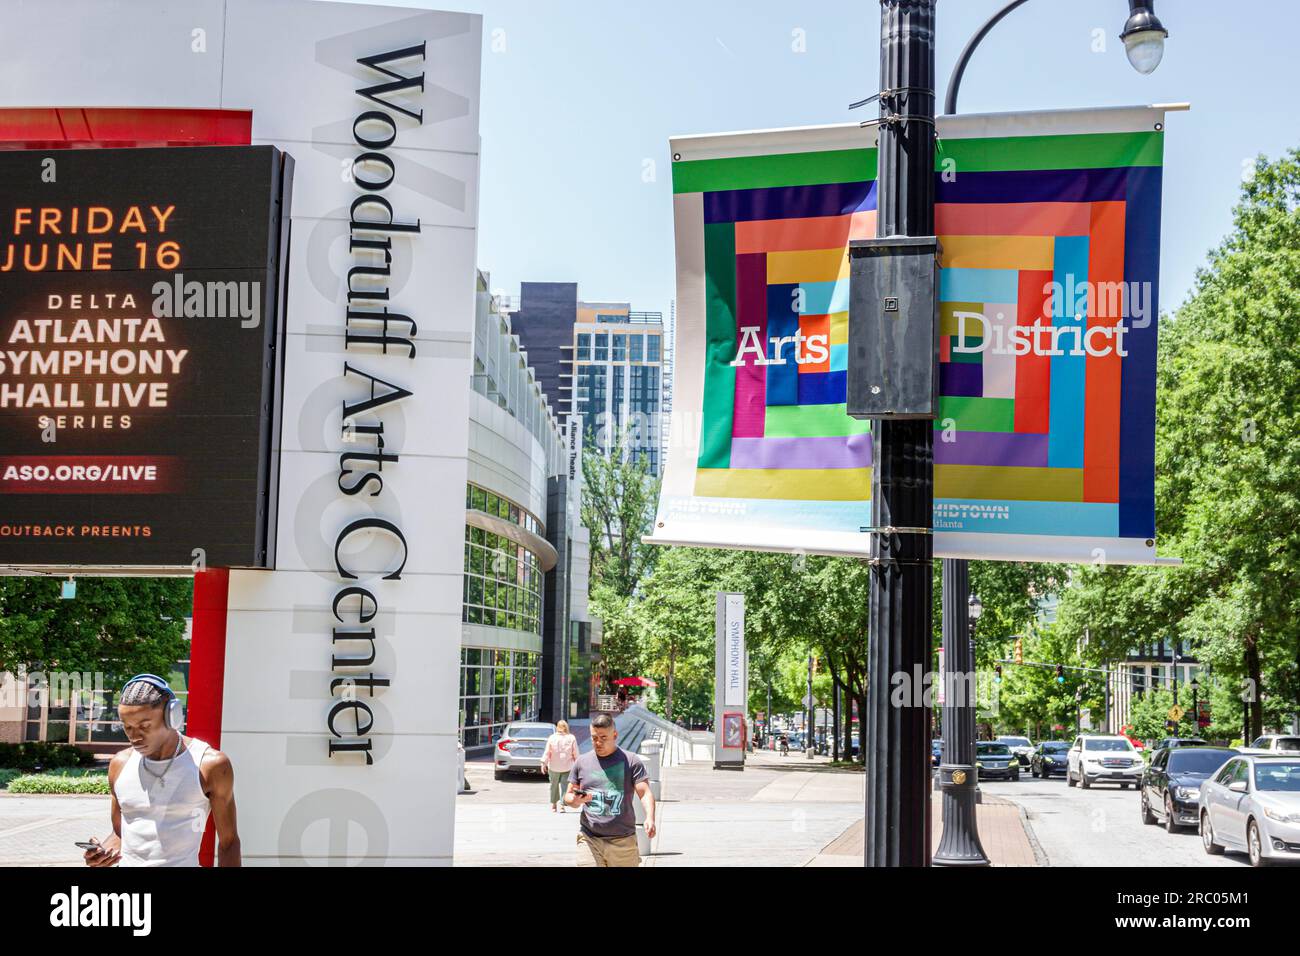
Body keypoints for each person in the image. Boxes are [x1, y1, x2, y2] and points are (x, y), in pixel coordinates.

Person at [83, 674, 240, 867]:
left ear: (172, 717)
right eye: (127, 727)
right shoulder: (120, 764)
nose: (135, 736)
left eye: (144, 726)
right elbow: (120, 834)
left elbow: (229, 842)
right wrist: (101, 854)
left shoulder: (209, 765)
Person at [564, 713, 656, 867]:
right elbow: (568, 796)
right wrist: (574, 800)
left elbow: (645, 792)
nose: (598, 742)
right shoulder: (582, 762)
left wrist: (650, 817)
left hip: (623, 841)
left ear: (615, 735)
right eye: (594, 738)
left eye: (603, 737)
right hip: (590, 838)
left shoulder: (631, 761)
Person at [540, 719, 579, 813]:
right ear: (566, 727)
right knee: (565, 787)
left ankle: (554, 805)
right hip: (567, 767)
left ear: (557, 728)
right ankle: (562, 806)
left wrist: (543, 763)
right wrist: (578, 766)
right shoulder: (571, 738)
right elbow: (576, 754)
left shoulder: (552, 738)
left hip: (553, 767)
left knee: (553, 786)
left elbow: (547, 752)